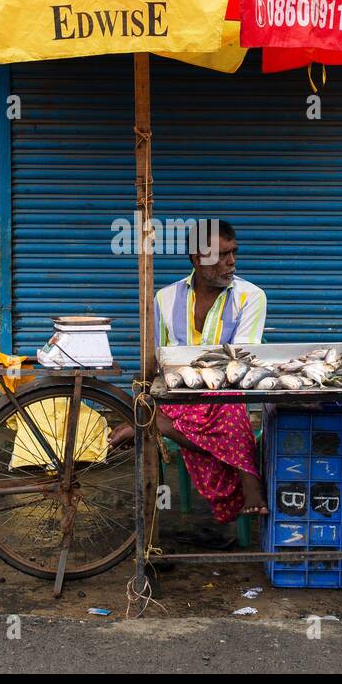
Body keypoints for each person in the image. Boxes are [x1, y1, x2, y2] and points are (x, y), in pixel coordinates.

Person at [111, 219, 269, 520]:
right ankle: (248, 478)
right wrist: (146, 393)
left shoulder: (252, 297)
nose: (231, 262)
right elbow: (156, 360)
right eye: (222, 255)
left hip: (223, 395)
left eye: (234, 253)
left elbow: (239, 360)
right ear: (197, 259)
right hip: (177, 395)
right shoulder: (164, 299)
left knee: (228, 404)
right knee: (202, 407)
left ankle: (157, 423)